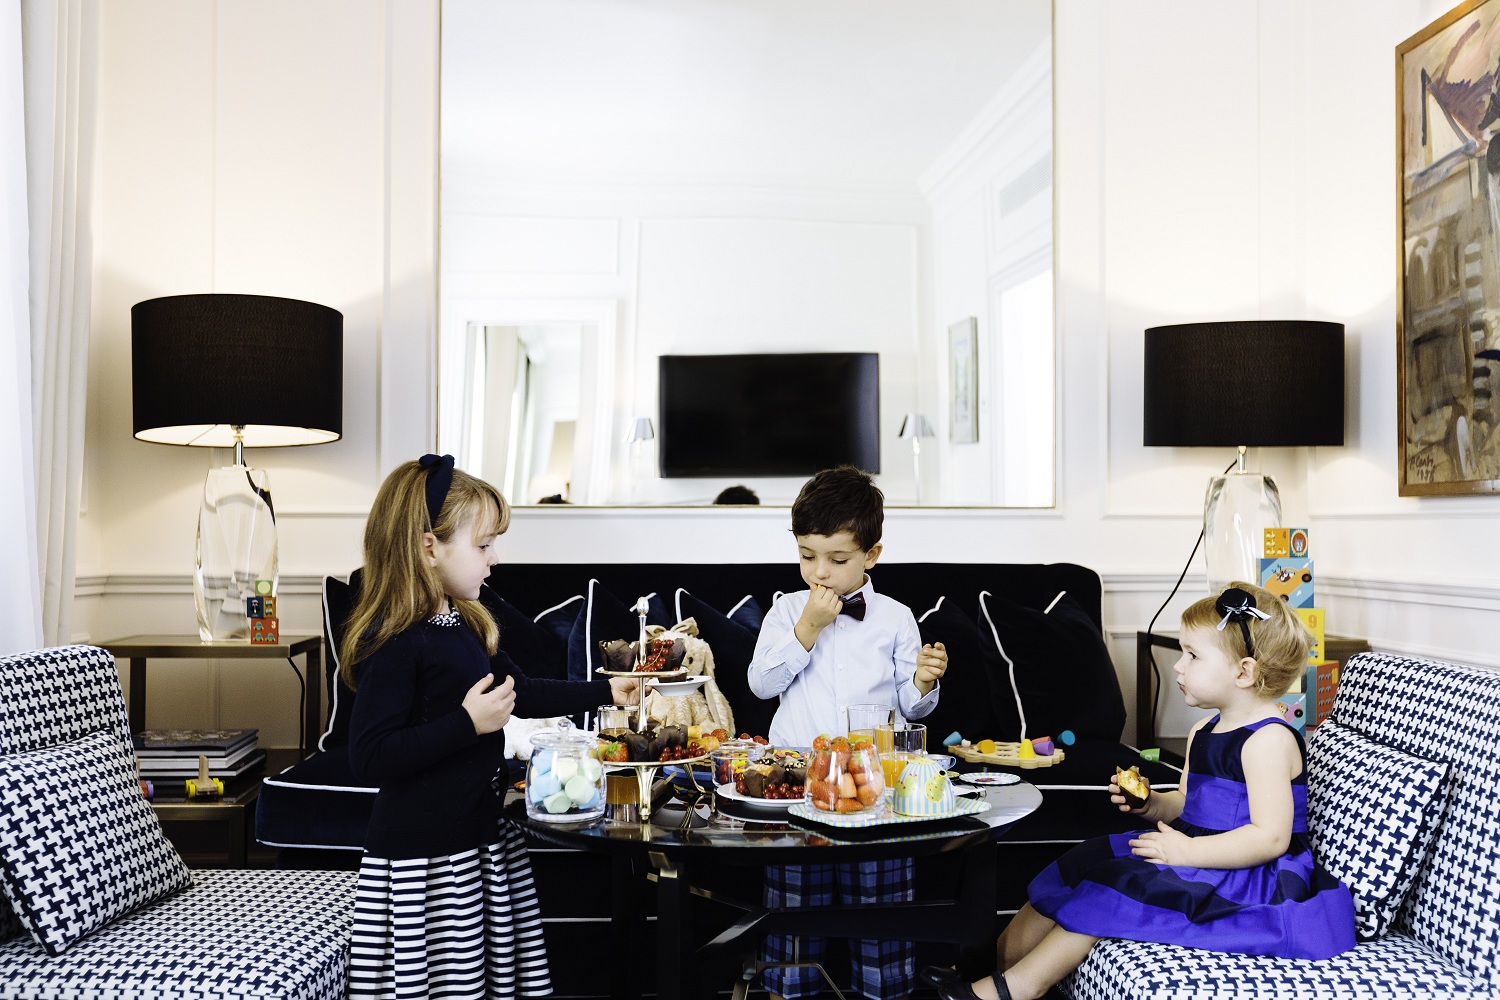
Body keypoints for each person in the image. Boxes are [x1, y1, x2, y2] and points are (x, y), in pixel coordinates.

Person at [921, 582, 1356, 1000]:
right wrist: (1150, 805)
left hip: (1244, 875)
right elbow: (1185, 804)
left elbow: (1270, 838)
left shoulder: (1269, 740)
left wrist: (1188, 852)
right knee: (1082, 860)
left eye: (1192, 656)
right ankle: (984, 967)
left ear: (1244, 672)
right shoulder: (1204, 730)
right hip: (1194, 850)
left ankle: (1015, 990)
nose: (1178, 666)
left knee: (1113, 887)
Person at [342, 454, 639, 999]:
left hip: (475, 840)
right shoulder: (398, 640)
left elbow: (521, 692)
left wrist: (606, 690)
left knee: (483, 980)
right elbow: (370, 756)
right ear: (429, 547)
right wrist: (467, 723)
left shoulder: (463, 622)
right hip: (425, 859)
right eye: (483, 546)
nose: (494, 559)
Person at [747, 465, 950, 1000]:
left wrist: (923, 681)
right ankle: (789, 989)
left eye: (837, 560)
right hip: (799, 785)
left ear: (871, 555)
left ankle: (886, 988)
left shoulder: (896, 618)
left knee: (882, 913)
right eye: (807, 556)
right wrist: (807, 629)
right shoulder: (785, 611)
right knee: (794, 914)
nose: (820, 573)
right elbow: (762, 685)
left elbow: (910, 706)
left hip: (874, 786)